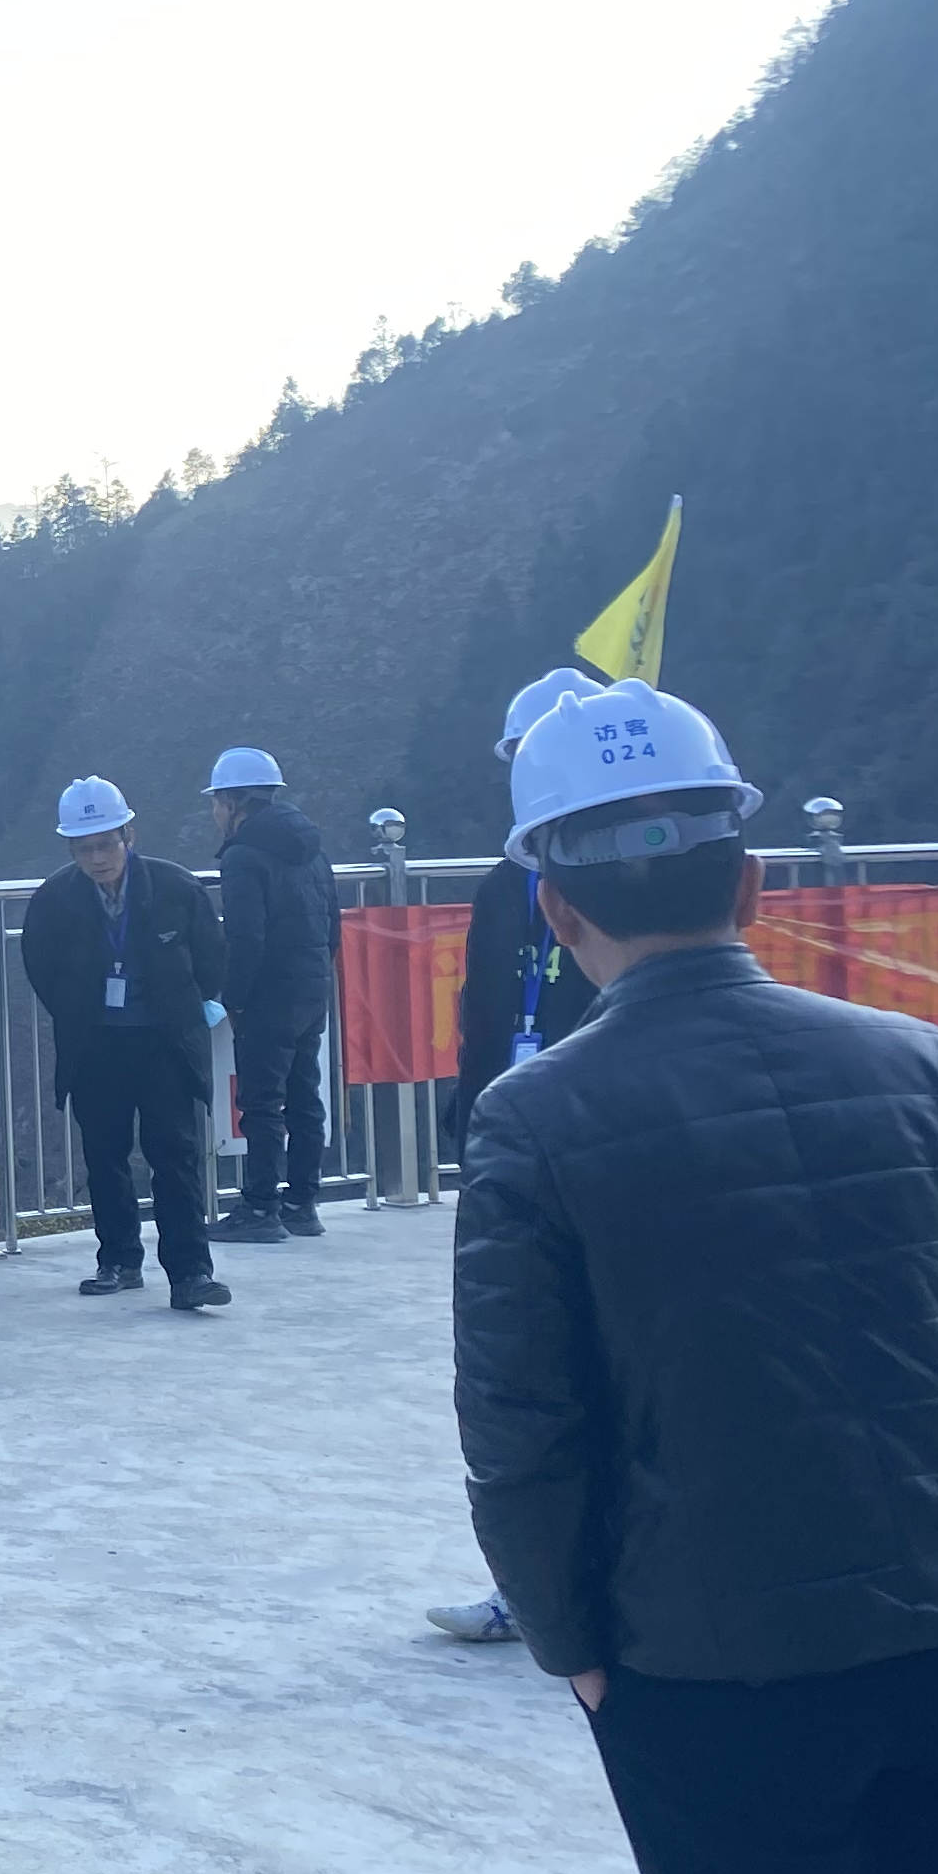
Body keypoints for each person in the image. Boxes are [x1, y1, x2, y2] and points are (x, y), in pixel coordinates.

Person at [454, 679, 938, 1874]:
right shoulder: (933, 1066)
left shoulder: (535, 1121)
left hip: (709, 1677)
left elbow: (522, 1436)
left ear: (555, 911)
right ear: (752, 879)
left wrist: (572, 1644)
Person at [426, 669, 606, 1648]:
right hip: (515, 1131)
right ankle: (535, 1587)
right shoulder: (507, 886)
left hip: (600, 1139)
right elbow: (486, 1005)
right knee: (527, 1364)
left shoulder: (621, 888)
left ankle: (601, 1588)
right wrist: (470, 1111)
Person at [21, 778, 228, 1313]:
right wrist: (79, 1014)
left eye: (105, 844)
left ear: (128, 836)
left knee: (175, 1157)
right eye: (84, 848)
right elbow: (41, 968)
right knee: (105, 1156)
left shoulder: (176, 888)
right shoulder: (54, 900)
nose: (97, 858)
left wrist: (186, 1011)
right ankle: (118, 1260)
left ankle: (191, 1273)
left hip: (163, 1045)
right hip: (96, 1045)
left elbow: (211, 960)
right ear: (70, 849)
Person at [207, 745, 341, 1243]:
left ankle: (260, 1207)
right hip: (311, 987)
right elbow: (332, 925)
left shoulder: (242, 857)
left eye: (216, 802)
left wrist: (233, 998)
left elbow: (246, 937)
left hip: (269, 994)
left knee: (261, 1103)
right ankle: (302, 1203)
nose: (214, 813)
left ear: (233, 803)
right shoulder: (312, 849)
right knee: (305, 1096)